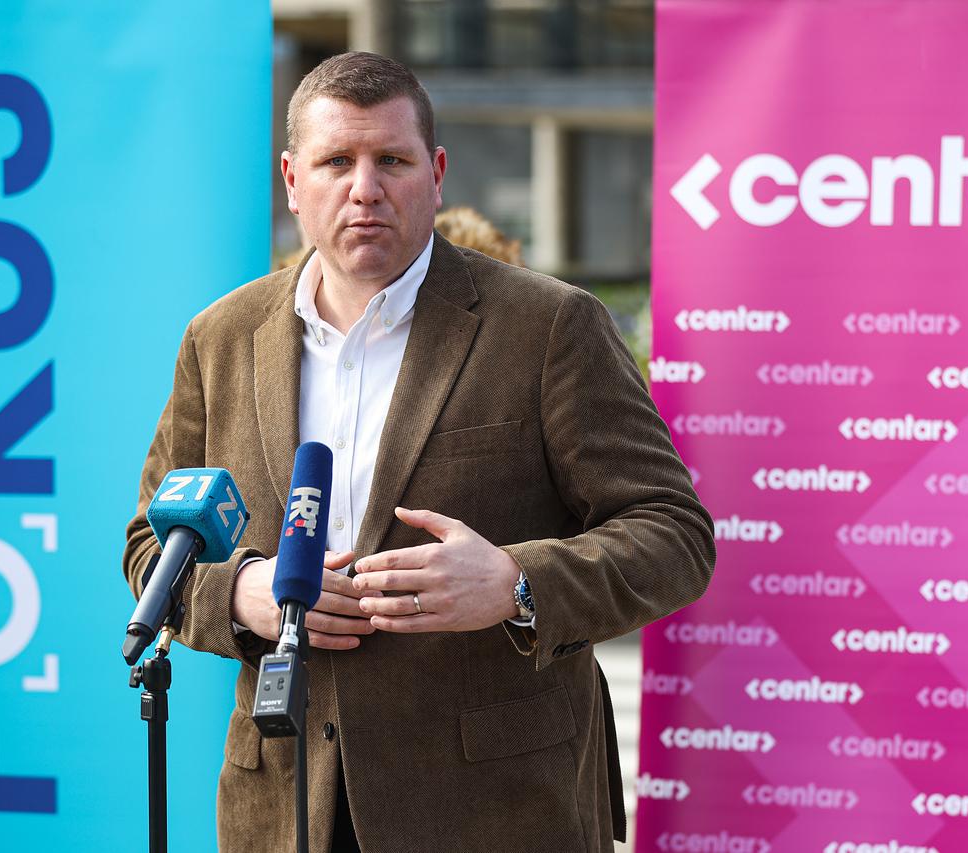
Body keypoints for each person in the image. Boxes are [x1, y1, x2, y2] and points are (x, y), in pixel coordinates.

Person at [122, 52, 714, 853]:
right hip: (287, 808)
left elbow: (674, 534)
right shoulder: (219, 337)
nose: (364, 188)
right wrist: (243, 594)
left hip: (497, 809)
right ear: (293, 180)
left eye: (391, 161)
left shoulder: (548, 326)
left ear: (435, 174)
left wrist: (515, 583)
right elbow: (151, 545)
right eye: (336, 161)